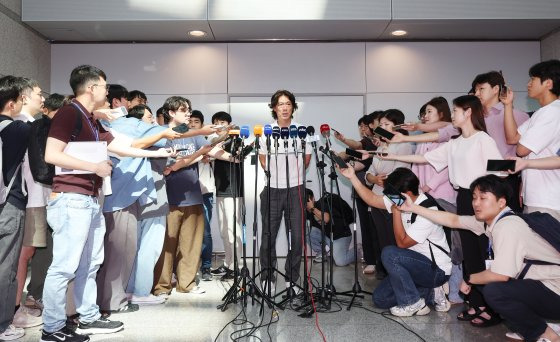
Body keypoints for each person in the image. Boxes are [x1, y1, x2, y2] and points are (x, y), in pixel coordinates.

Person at [41, 65, 173, 341]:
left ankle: (87, 317)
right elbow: (52, 155)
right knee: (65, 265)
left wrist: (154, 153)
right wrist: (94, 166)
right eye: (103, 85)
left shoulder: (90, 119)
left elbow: (121, 147)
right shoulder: (69, 113)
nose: (107, 89)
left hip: (90, 199)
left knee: (91, 261)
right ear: (91, 88)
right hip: (71, 199)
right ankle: (51, 328)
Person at [381, 95, 504, 326]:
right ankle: (476, 303)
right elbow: (424, 158)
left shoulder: (483, 139)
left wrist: (497, 189)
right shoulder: (455, 143)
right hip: (465, 198)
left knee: (485, 252)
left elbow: (500, 169)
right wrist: (393, 154)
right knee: (469, 254)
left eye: (456, 110)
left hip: (483, 197)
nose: (453, 115)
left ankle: (492, 308)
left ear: (468, 112)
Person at [400, 175, 560, 341]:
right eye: (474, 197)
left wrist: (469, 279)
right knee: (489, 286)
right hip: (544, 285)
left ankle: (547, 335)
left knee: (494, 291)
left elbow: (501, 275)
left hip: (555, 289)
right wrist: (414, 208)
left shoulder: (508, 227)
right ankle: (540, 327)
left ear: (501, 202)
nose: (476, 203)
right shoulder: (495, 221)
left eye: (483, 198)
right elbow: (454, 220)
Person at [394, 71, 529, 211]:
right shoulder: (468, 120)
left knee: (504, 225)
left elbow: (523, 150)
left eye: (481, 89)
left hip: (504, 178)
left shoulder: (518, 116)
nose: (476, 93)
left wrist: (521, 180)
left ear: (496, 89)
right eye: (475, 89)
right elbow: (442, 132)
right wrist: (407, 136)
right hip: (473, 187)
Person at [338, 166, 452, 316]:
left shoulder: (427, 211)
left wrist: (396, 212)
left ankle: (413, 303)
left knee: (390, 253)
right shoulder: (401, 198)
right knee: (380, 299)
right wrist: (352, 177)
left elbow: (402, 244)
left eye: (392, 195)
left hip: (436, 269)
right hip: (414, 266)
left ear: (406, 193)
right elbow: (371, 199)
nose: (389, 199)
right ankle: (432, 292)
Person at [153, 96, 233, 297]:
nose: (188, 113)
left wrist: (233, 157)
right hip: (169, 197)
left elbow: (211, 149)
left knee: (191, 244)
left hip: (194, 195)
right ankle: (162, 286)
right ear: (171, 113)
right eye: (183, 110)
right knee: (167, 245)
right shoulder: (161, 134)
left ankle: (186, 283)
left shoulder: (193, 135)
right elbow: (168, 163)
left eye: (189, 109)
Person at [258, 90, 311, 295]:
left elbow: (306, 159)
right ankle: (268, 277)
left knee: (297, 237)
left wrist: (294, 175)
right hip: (272, 189)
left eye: (288, 103)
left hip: (296, 189)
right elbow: (263, 157)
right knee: (268, 236)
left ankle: (292, 278)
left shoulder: (301, 130)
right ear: (274, 108)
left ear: (293, 107)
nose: (285, 107)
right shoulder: (266, 131)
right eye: (280, 104)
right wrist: (273, 173)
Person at [502, 59, 560, 221]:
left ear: (548, 83)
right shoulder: (542, 113)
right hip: (538, 194)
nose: (528, 84)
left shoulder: (552, 113)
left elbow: (521, 150)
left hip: (548, 198)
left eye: (532, 79)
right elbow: (512, 138)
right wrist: (508, 105)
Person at [11, 78, 47, 330]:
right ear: (23, 98)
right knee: (22, 256)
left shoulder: (31, 125)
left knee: (26, 254)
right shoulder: (22, 126)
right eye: (38, 94)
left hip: (37, 198)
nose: (42, 98)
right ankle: (14, 309)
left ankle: (16, 306)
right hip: (29, 199)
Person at [0, 75, 31, 341]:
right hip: (9, 204)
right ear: (11, 104)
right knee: (6, 266)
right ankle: (2, 324)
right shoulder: (17, 130)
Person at [364, 109, 413, 279]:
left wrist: (381, 181)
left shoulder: (404, 145)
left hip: (393, 198)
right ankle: (386, 273)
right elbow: (369, 172)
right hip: (377, 197)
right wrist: (373, 178)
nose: (382, 127)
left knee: (393, 239)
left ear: (397, 125)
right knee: (381, 239)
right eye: (381, 124)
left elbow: (399, 174)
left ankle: (397, 276)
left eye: (386, 124)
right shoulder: (383, 145)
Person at [211, 111, 243, 281]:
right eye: (216, 123)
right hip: (220, 190)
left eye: (223, 123)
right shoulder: (213, 142)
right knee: (224, 231)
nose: (219, 126)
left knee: (233, 230)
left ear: (229, 124)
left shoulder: (236, 139)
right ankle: (228, 263)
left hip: (234, 190)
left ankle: (237, 266)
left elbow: (239, 157)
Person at [189, 110, 216, 281]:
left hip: (205, 192)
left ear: (202, 124)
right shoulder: (182, 140)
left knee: (205, 232)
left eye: (196, 121)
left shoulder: (206, 142)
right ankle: (188, 267)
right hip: (186, 194)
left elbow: (213, 152)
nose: (192, 124)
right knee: (187, 232)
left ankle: (206, 267)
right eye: (190, 121)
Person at [306, 188, 355, 266]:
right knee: (307, 231)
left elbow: (326, 218)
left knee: (340, 262)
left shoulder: (321, 204)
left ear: (312, 199)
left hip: (340, 235)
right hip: (327, 235)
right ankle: (322, 253)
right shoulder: (306, 212)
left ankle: (359, 250)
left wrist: (312, 208)